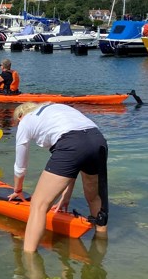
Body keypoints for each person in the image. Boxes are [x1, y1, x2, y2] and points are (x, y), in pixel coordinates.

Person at [8, 102, 108, 252]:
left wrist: (18, 189)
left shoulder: (26, 120)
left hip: (71, 143)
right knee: (94, 198)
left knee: (38, 205)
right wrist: (66, 197)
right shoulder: (56, 108)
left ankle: (29, 259)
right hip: (97, 140)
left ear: (20, 116)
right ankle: (101, 243)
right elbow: (73, 166)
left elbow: (20, 165)